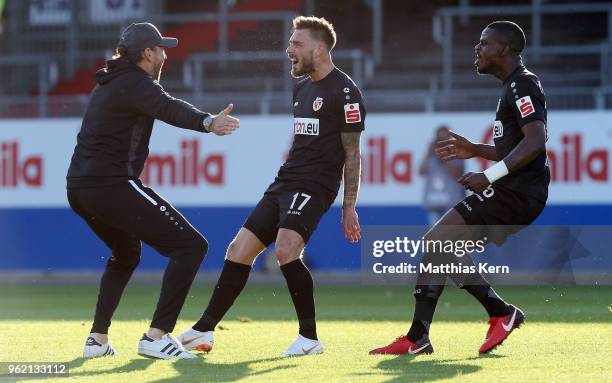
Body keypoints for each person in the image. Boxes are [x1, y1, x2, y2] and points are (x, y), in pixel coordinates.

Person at [176, 16, 366, 356]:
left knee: (285, 249)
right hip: (286, 180)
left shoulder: (346, 92)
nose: (288, 49)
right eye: (289, 43)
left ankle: (309, 339)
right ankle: (204, 330)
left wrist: (349, 205)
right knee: (238, 250)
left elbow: (353, 154)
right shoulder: (302, 87)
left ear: (319, 49)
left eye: (296, 44)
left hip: (316, 185)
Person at [370, 20, 549, 355]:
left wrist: (490, 174)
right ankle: (421, 336)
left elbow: (537, 142)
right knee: (439, 247)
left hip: (518, 193)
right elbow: (517, 146)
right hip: (515, 190)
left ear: (505, 49)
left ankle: (494, 313)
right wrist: (477, 150)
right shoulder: (511, 87)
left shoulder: (522, 84)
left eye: (484, 43)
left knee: (437, 241)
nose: (477, 49)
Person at [66, 22, 240, 359]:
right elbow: (169, 107)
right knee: (191, 246)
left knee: (126, 254)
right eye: (161, 49)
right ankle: (156, 337)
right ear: (147, 54)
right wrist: (208, 122)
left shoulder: (114, 80)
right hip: (111, 185)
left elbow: (162, 104)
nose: (165, 54)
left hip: (80, 188)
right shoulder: (134, 81)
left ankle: (97, 340)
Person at [419, 125, 465, 225]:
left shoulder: (457, 153)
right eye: (440, 139)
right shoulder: (431, 154)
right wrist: (428, 153)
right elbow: (421, 171)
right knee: (434, 234)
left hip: (452, 202)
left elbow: (457, 173)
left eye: (445, 139)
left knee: (452, 234)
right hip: (434, 201)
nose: (442, 142)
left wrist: (444, 157)